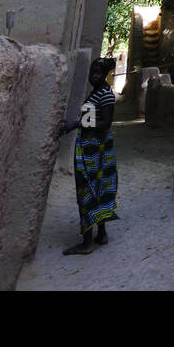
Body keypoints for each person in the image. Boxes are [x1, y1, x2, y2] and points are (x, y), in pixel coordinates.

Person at [58, 57, 119, 255]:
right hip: (92, 148)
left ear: (105, 75)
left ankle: (87, 243)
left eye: (98, 73)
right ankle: (101, 234)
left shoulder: (105, 95)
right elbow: (91, 118)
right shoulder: (97, 93)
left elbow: (106, 123)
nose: (94, 76)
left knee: (88, 192)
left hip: (96, 151)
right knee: (97, 190)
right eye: (92, 73)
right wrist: (74, 122)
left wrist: (76, 124)